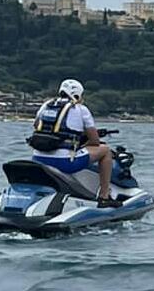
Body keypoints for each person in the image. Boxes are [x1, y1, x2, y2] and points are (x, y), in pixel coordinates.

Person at [28, 78, 120, 208]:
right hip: (63, 163)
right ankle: (104, 196)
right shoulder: (81, 109)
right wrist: (79, 142)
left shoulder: (46, 105)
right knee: (105, 150)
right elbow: (94, 141)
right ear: (77, 94)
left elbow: (37, 125)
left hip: (38, 160)